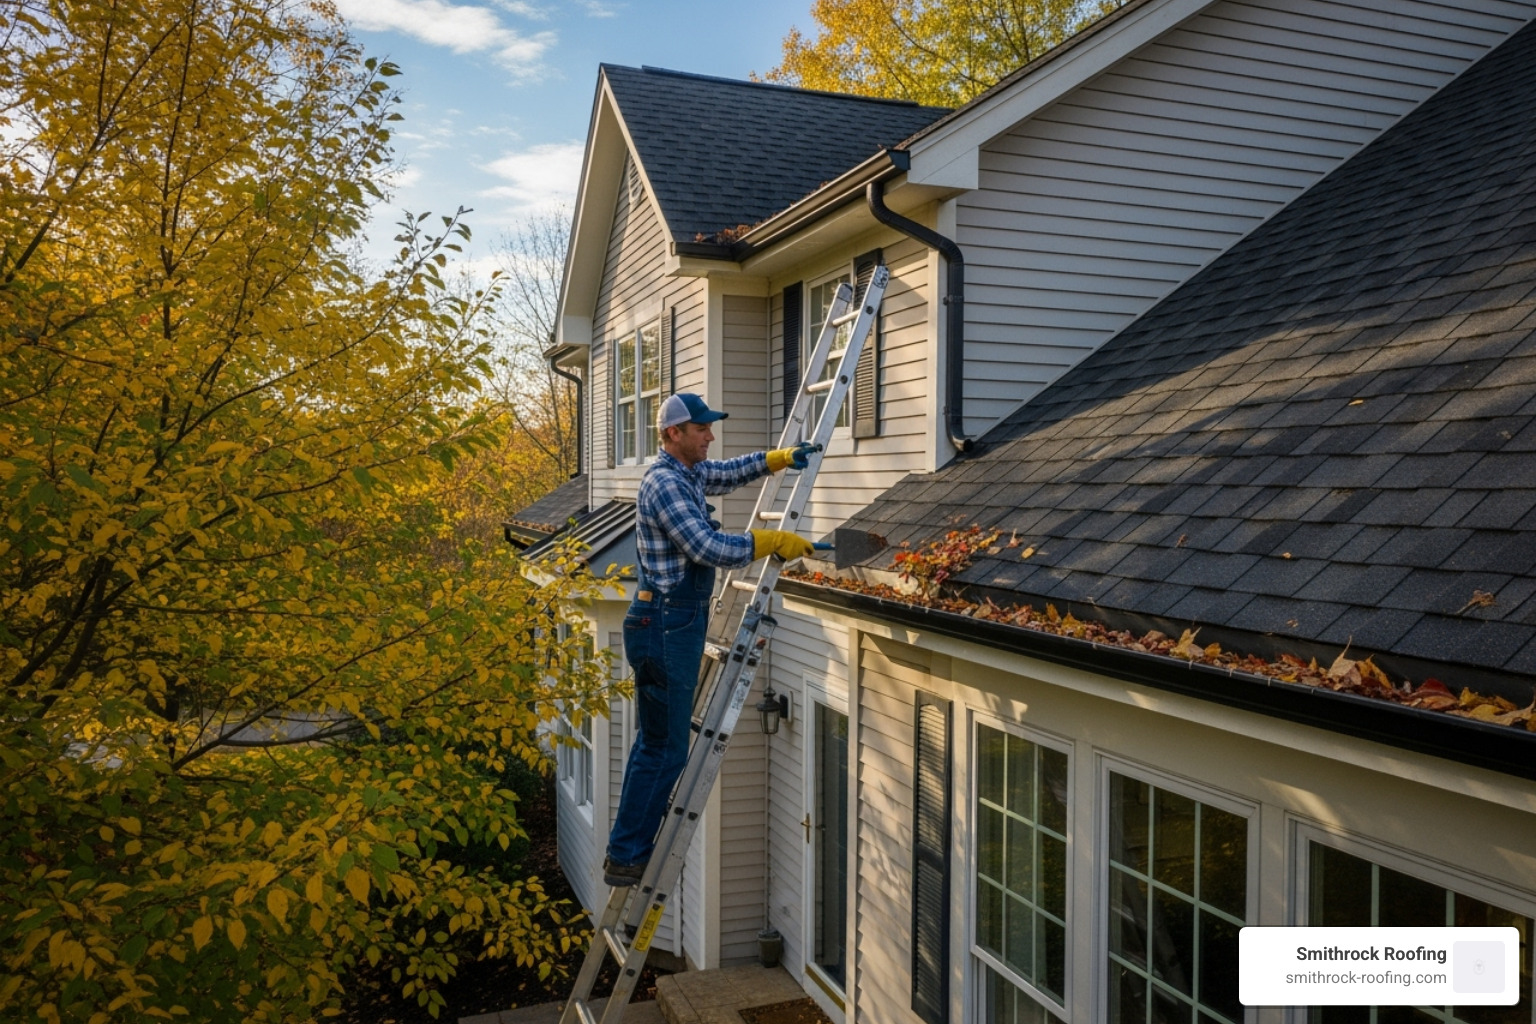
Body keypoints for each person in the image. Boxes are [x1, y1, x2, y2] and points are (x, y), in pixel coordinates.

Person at [603, 392, 816, 887]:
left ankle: (628, 848)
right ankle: (628, 854)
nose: (710, 436)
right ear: (674, 434)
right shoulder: (664, 484)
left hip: (675, 621)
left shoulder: (689, 473)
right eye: (702, 429)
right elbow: (706, 547)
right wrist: (770, 541)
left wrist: (777, 460)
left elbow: (729, 472)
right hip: (663, 624)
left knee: (661, 744)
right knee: (664, 749)